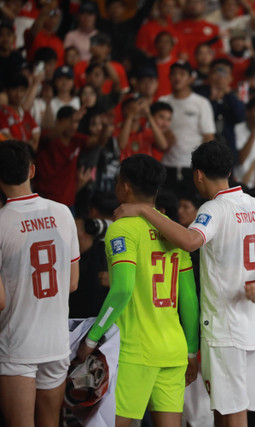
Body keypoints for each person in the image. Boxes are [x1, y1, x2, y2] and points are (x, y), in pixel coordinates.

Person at [114, 140, 255, 427]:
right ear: (229, 170)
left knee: (231, 415)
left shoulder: (214, 208)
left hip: (224, 330)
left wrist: (145, 211)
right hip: (253, 329)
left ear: (198, 174)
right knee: (232, 412)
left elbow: (190, 241)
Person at [74, 154, 199, 426]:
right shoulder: (176, 232)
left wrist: (91, 339)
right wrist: (191, 351)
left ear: (124, 186)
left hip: (134, 351)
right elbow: (189, 298)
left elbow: (122, 290)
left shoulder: (122, 228)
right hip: (173, 348)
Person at [0, 140, 80, 427]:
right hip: (56, 343)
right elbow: (72, 284)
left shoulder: (1, 222)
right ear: (32, 170)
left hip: (17, 345)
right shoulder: (62, 212)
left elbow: (0, 301)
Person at [159, 60, 215, 191]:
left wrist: (201, 167)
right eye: (174, 74)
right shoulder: (163, 101)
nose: (177, 77)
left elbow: (208, 137)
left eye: (182, 74)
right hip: (165, 164)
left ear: (191, 78)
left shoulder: (201, 103)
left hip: (191, 168)